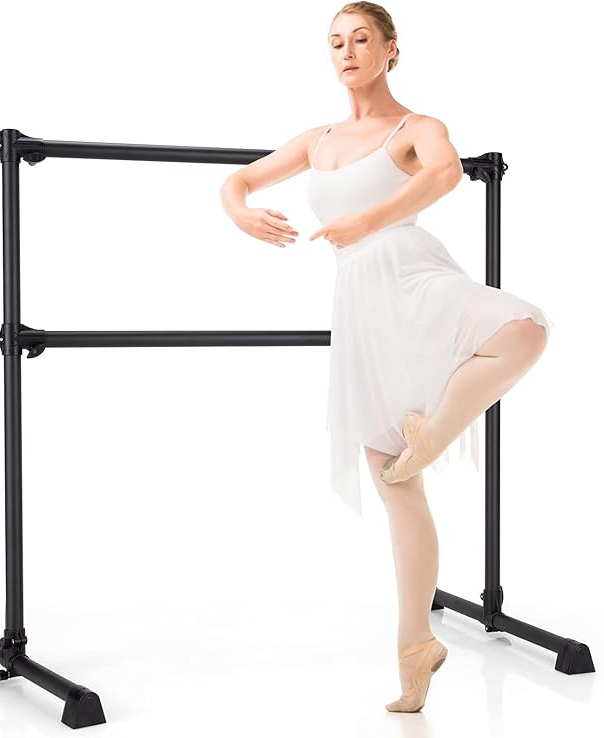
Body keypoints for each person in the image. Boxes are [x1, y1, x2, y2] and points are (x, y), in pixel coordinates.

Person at [219, 1, 553, 713]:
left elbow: (445, 174)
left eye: (361, 39)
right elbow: (239, 179)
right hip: (362, 308)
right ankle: (415, 651)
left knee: (523, 329)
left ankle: (433, 434)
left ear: (390, 49)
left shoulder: (415, 127)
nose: (346, 51)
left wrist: (367, 219)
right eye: (335, 42)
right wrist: (239, 210)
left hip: (413, 275)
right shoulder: (317, 139)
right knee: (397, 489)